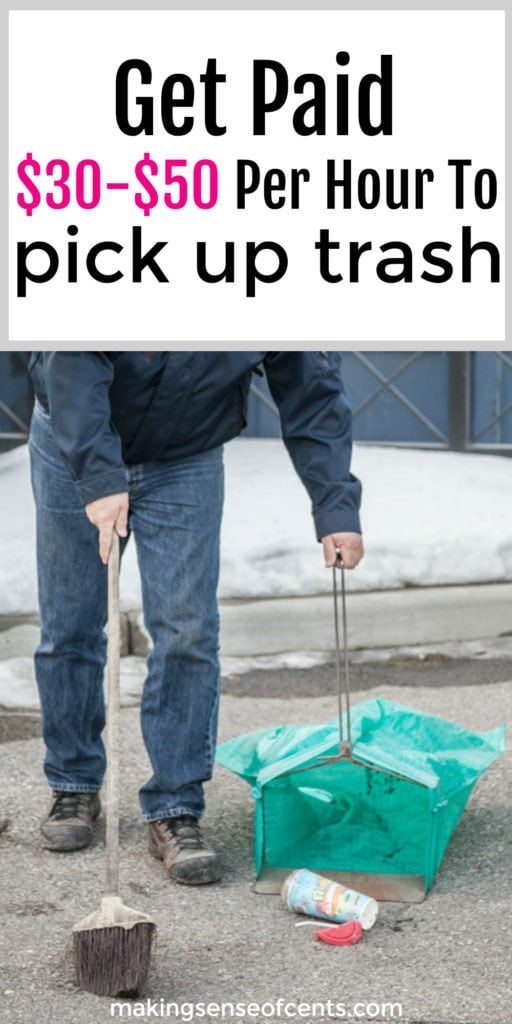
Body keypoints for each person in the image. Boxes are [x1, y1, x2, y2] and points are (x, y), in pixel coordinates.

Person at [28, 352, 364, 885]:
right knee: (72, 623)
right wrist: (97, 473)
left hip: (186, 457)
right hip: (77, 436)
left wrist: (336, 508)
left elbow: (312, 392)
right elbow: (72, 357)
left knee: (188, 632)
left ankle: (175, 807)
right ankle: (73, 784)